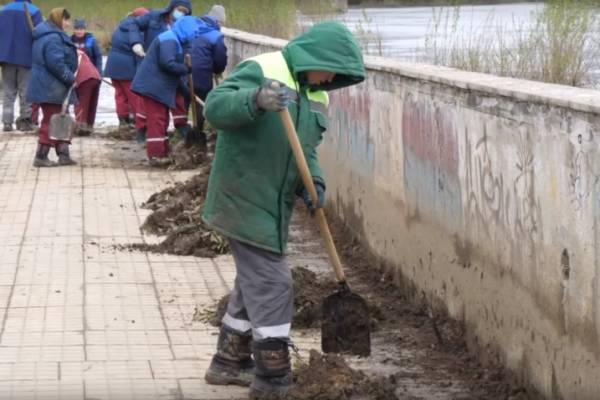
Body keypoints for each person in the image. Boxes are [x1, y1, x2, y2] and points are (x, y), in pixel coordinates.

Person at [201, 22, 365, 399]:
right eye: (331, 70)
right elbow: (215, 108)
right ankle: (272, 379)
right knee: (274, 283)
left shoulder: (315, 95)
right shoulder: (264, 69)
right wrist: (255, 99)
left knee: (253, 282)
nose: (330, 79)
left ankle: (228, 362)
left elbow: (305, 150)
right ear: (316, 56)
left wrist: (315, 184)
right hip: (243, 196)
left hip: (274, 204)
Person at [131, 16, 201, 166]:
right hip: (153, 87)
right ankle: (156, 155)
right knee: (157, 121)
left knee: (161, 120)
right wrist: (185, 69)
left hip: (159, 87)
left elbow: (174, 74)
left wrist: (186, 91)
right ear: (186, 30)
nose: (194, 36)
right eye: (193, 33)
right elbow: (167, 64)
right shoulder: (169, 40)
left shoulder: (177, 40)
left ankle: (163, 152)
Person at [123, 0, 193, 143]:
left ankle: (181, 127)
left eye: (185, 12)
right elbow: (133, 24)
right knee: (148, 102)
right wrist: (136, 42)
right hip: (152, 65)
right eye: (180, 10)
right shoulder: (154, 17)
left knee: (178, 97)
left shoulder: (184, 27)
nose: (181, 14)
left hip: (172, 67)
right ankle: (142, 130)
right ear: (172, 8)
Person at [27, 7, 78, 167]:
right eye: (66, 20)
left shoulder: (47, 35)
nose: (68, 24)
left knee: (61, 118)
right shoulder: (53, 38)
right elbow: (55, 63)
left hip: (50, 85)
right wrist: (71, 78)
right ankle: (41, 157)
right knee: (51, 120)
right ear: (58, 20)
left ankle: (63, 155)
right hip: (51, 86)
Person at [0, 0, 43, 132]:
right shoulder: (34, 10)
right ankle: (25, 122)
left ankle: (7, 123)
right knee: (25, 92)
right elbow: (39, 34)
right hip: (26, 57)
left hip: (6, 57)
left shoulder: (4, 10)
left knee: (8, 92)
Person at [103, 7, 149, 129]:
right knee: (133, 95)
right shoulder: (136, 29)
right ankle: (138, 122)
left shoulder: (121, 26)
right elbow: (138, 51)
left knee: (120, 95)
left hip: (112, 65)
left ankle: (123, 121)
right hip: (127, 67)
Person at [189, 4, 227, 140]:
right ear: (217, 21)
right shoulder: (216, 36)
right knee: (201, 102)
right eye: (221, 22)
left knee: (184, 100)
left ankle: (183, 131)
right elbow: (220, 58)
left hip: (183, 71)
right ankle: (198, 131)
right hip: (202, 74)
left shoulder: (192, 28)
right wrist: (218, 71)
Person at [74, 49, 101, 135]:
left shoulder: (67, 53)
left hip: (84, 78)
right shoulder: (79, 52)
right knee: (92, 104)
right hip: (96, 76)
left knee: (82, 103)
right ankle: (89, 126)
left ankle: (81, 126)